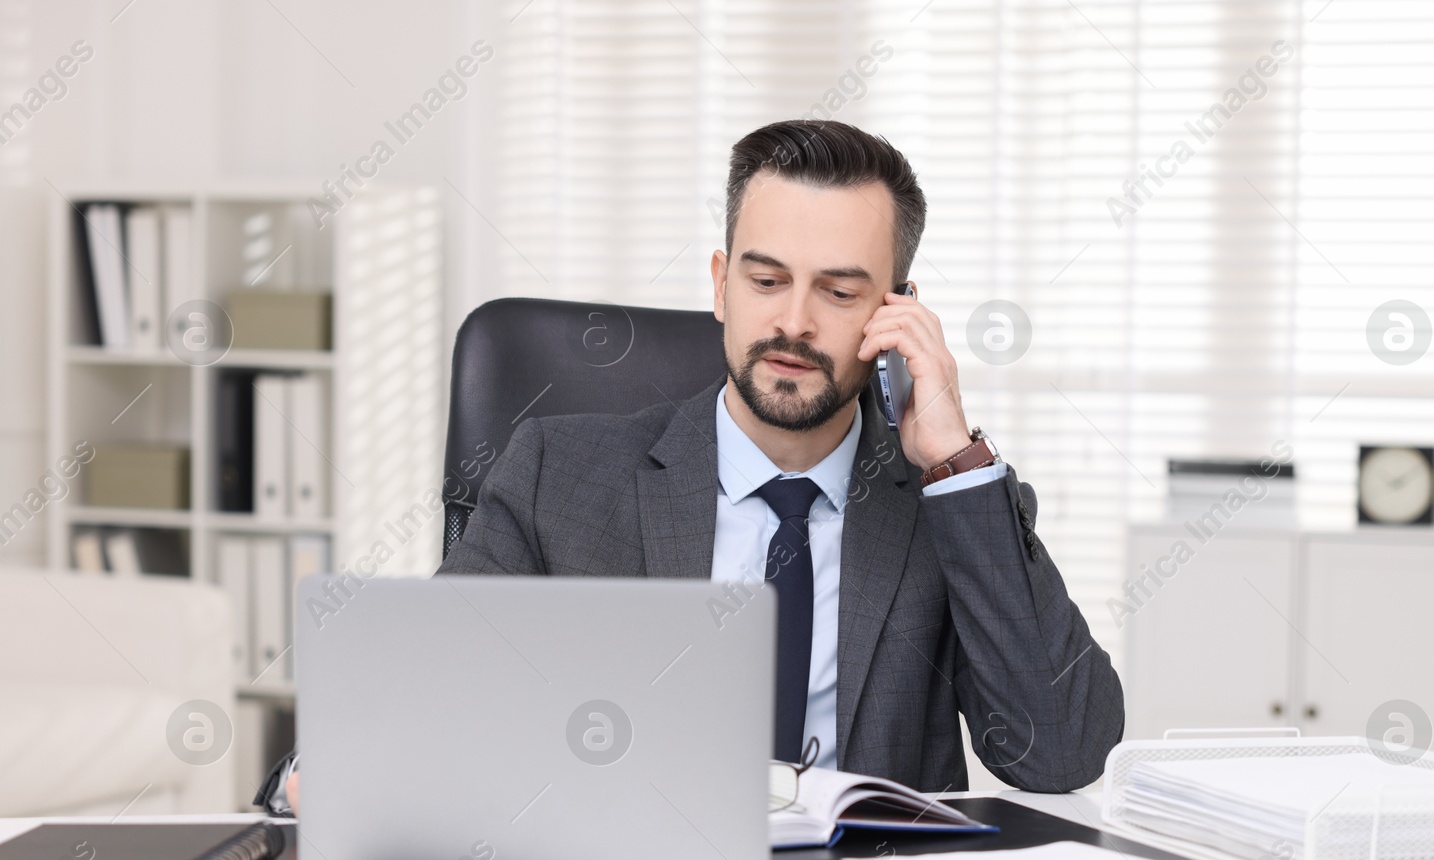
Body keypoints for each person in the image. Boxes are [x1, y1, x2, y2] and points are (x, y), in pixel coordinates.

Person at [260, 119, 1122, 816]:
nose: (794, 323)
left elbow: (1060, 754)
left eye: (840, 290)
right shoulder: (558, 474)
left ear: (898, 312)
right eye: (766, 278)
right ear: (721, 285)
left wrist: (955, 460)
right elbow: (421, 694)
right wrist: (327, 770)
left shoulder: (947, 504)